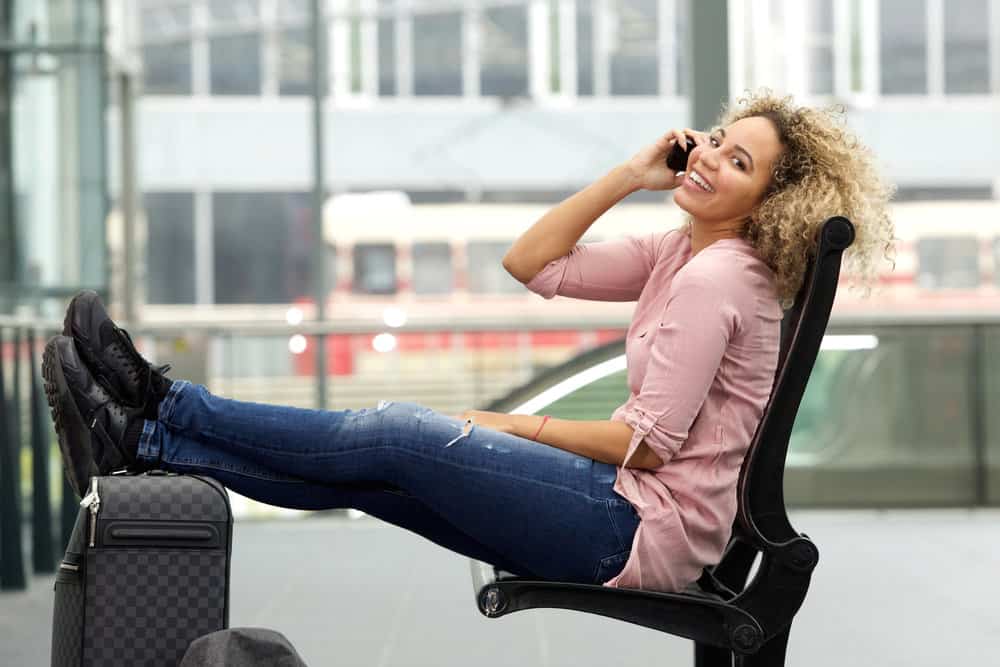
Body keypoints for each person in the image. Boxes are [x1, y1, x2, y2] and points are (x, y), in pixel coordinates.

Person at [42, 89, 895, 593]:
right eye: (715, 140)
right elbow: (534, 264)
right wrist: (633, 176)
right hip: (624, 508)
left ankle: (159, 408)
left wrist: (514, 424)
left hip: (636, 529)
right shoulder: (683, 250)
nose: (709, 159)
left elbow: (642, 444)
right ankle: (145, 438)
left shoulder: (717, 281)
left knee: (397, 436)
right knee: (378, 473)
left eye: (738, 163)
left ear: (767, 203)